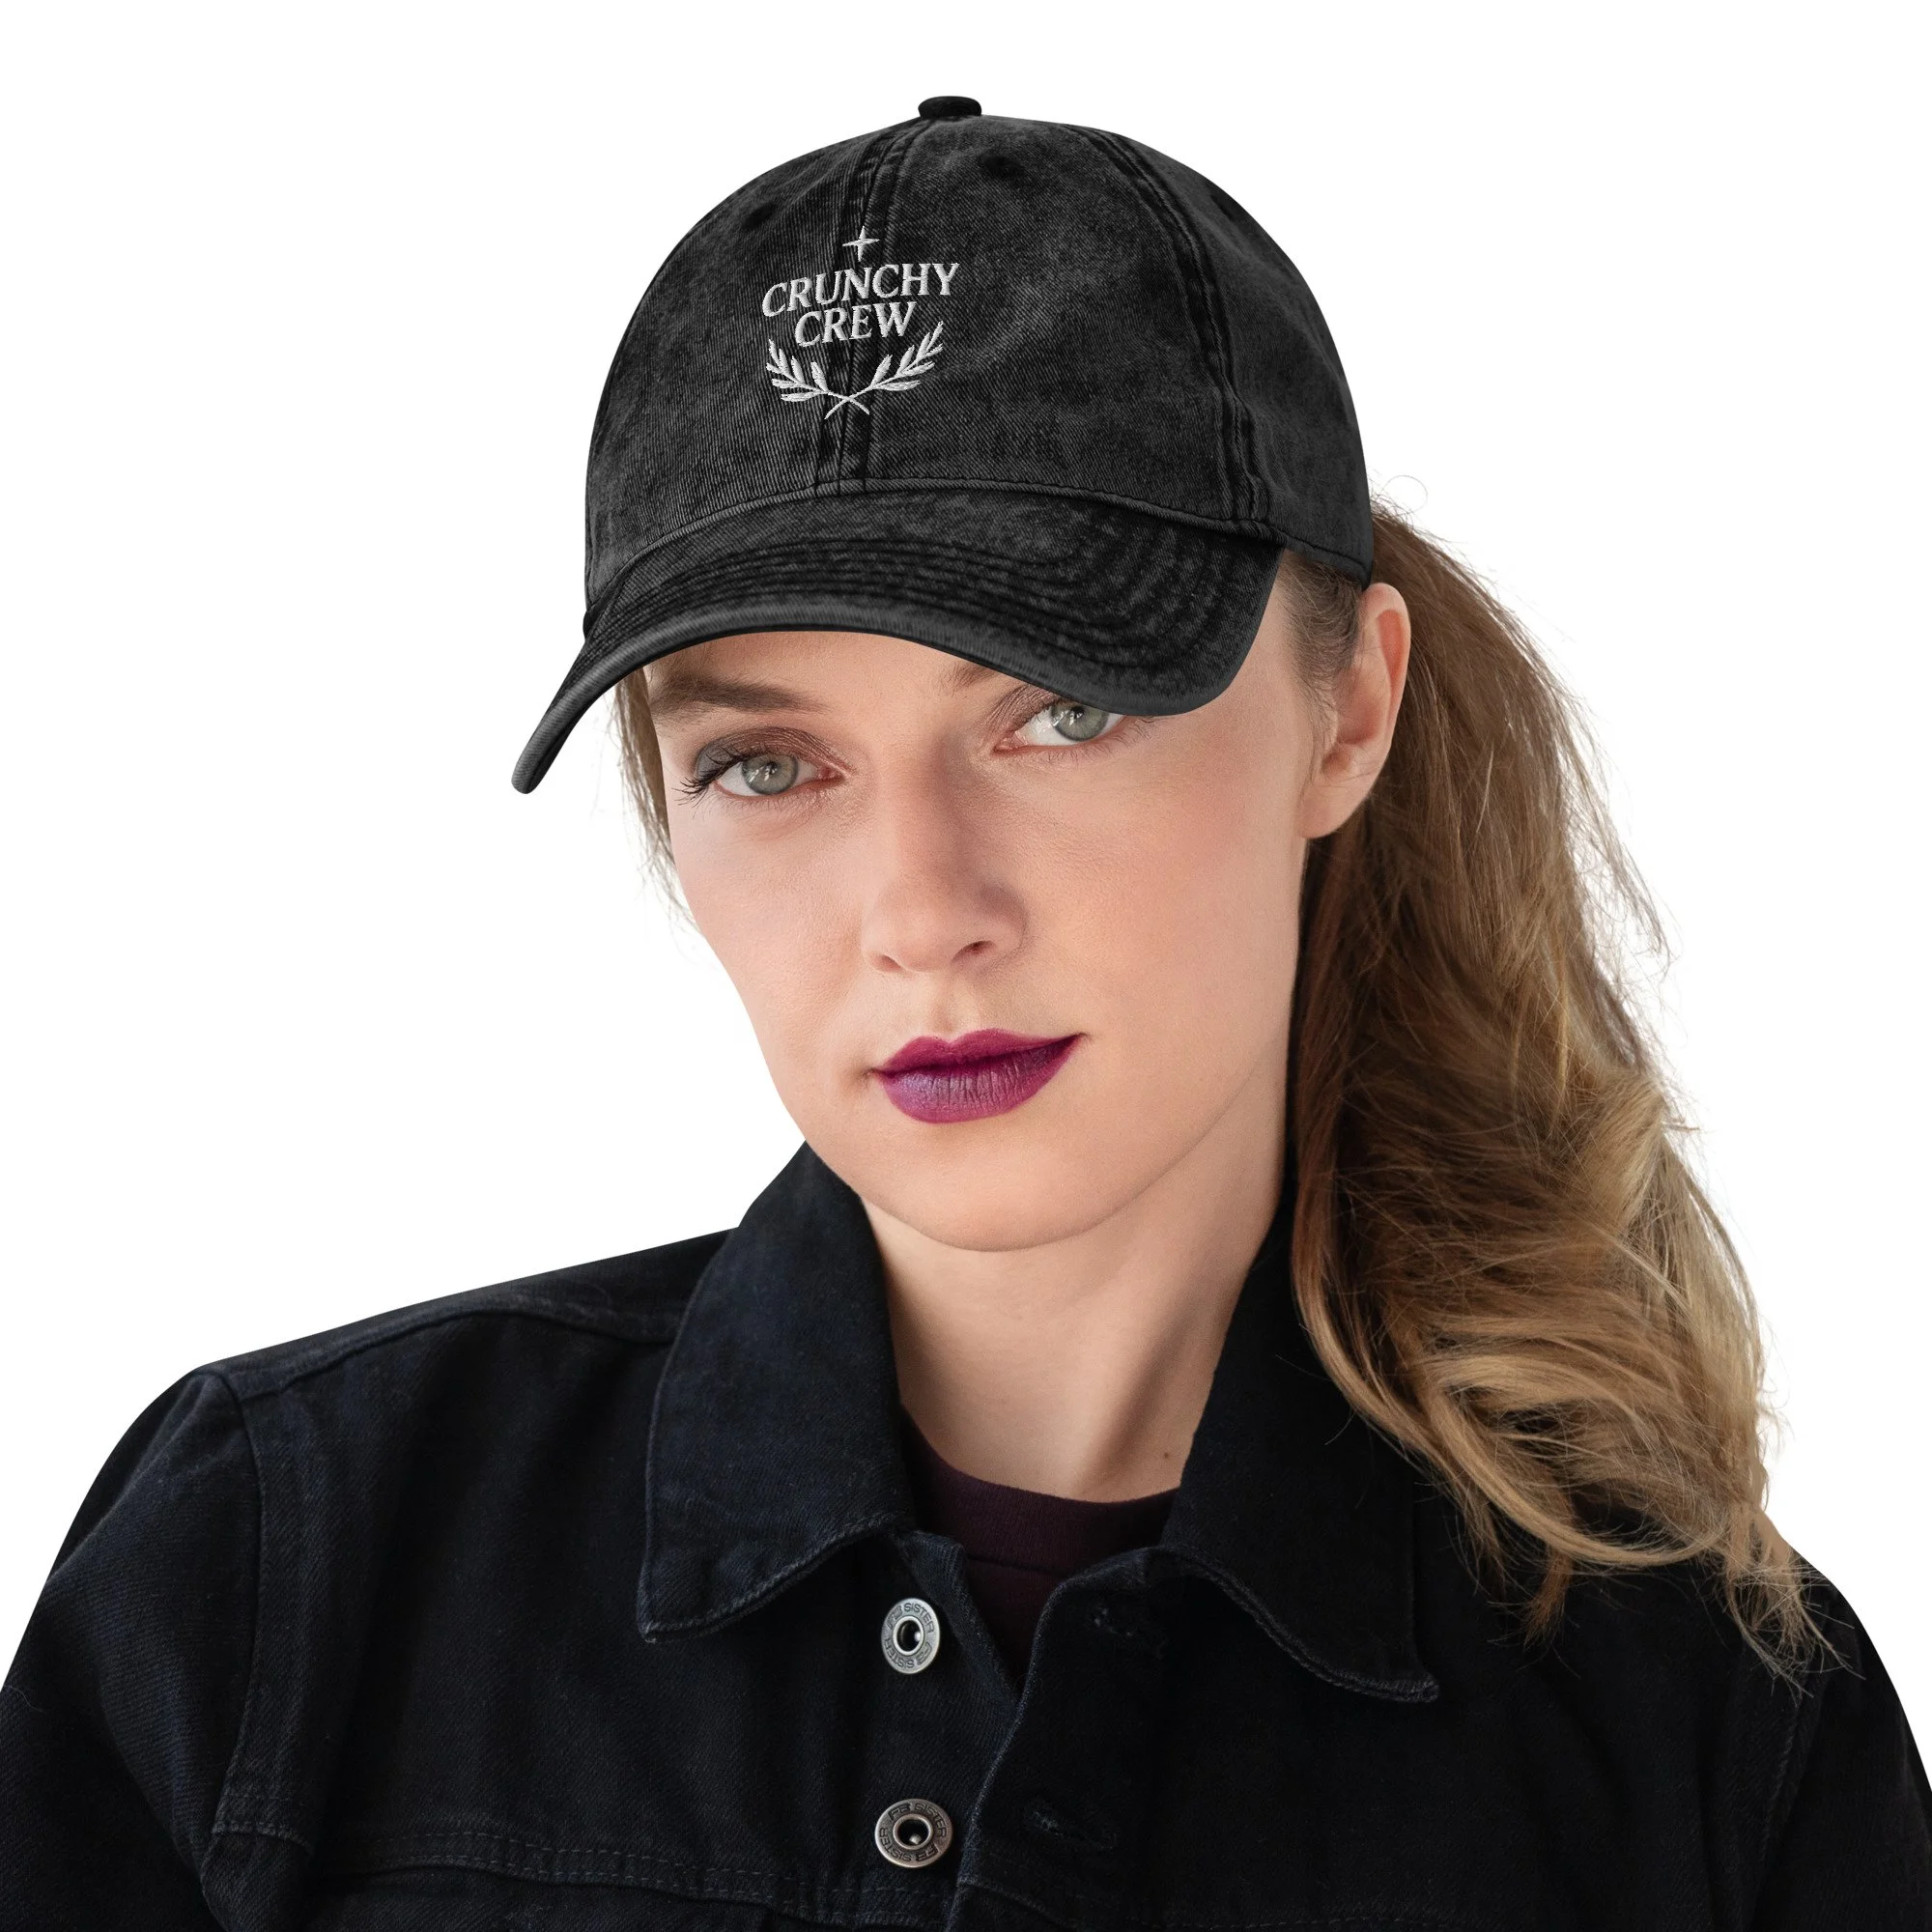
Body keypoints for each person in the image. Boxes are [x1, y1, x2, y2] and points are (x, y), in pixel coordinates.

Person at [3, 95, 1926, 1929]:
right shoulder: (274, 1576)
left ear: (1346, 706)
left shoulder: (1709, 1734)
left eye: (1060, 711)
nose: (923, 915)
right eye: (769, 764)